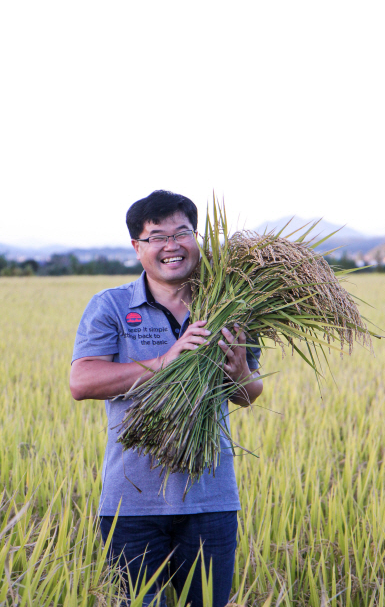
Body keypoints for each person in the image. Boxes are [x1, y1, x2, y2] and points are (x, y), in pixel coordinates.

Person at [70, 190, 263, 607]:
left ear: (198, 239)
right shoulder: (112, 307)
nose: (172, 245)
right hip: (132, 503)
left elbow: (249, 395)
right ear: (137, 247)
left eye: (182, 233)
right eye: (157, 236)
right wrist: (165, 361)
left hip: (211, 499)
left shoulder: (231, 305)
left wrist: (240, 373)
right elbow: (82, 382)